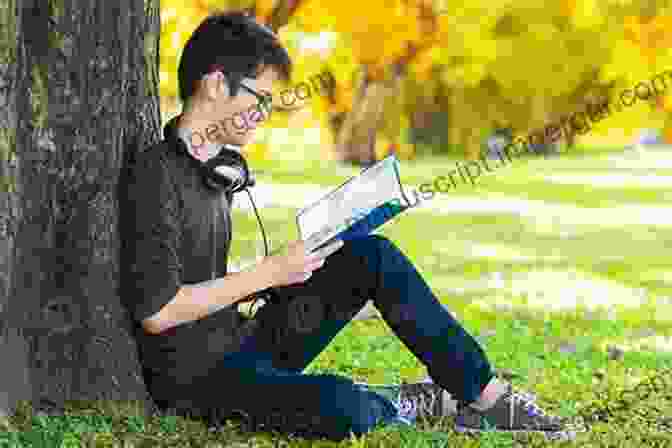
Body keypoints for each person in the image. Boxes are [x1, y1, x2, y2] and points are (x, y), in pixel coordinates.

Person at [119, 10, 579, 442]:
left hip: (241, 342)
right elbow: (158, 313)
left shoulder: (219, 171)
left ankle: (487, 396)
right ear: (216, 85)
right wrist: (267, 274)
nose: (263, 115)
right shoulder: (157, 176)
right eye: (259, 100)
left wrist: (291, 270)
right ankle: (404, 401)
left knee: (371, 255)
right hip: (199, 383)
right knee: (344, 409)